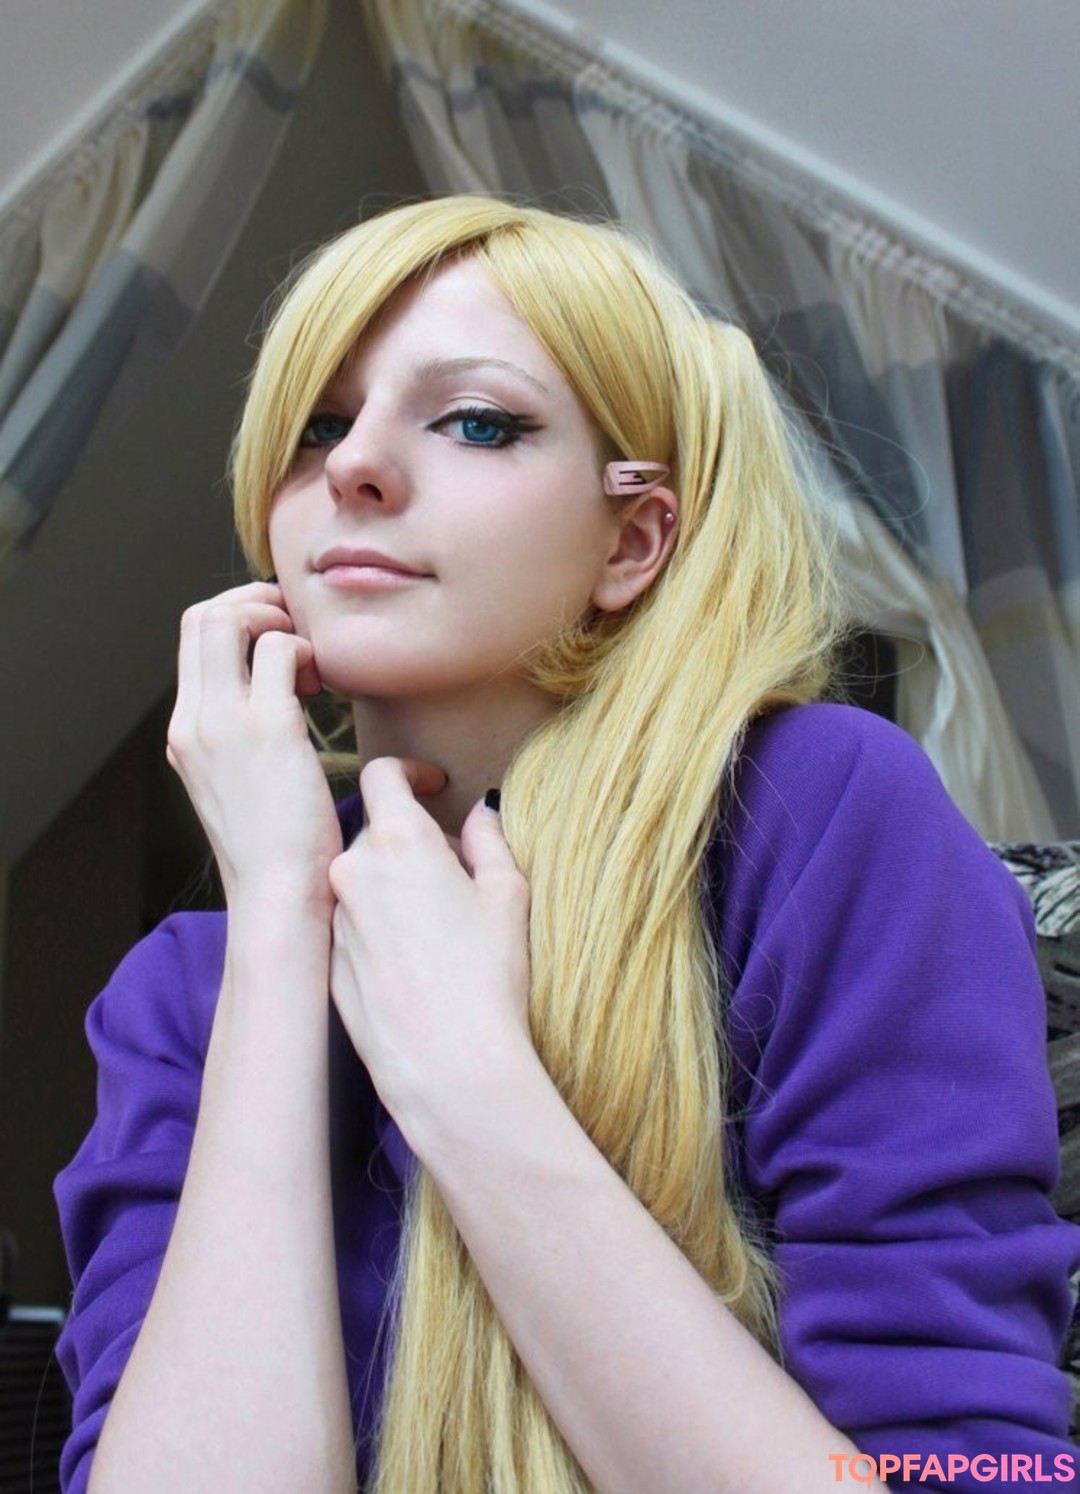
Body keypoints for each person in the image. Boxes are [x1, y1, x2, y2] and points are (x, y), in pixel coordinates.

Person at [55, 196, 1077, 1494]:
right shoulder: (184, 992)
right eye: (318, 423)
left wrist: (463, 1074)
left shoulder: (815, 815)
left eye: (478, 421)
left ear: (633, 541)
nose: (355, 466)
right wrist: (276, 917)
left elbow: (973, 1471)